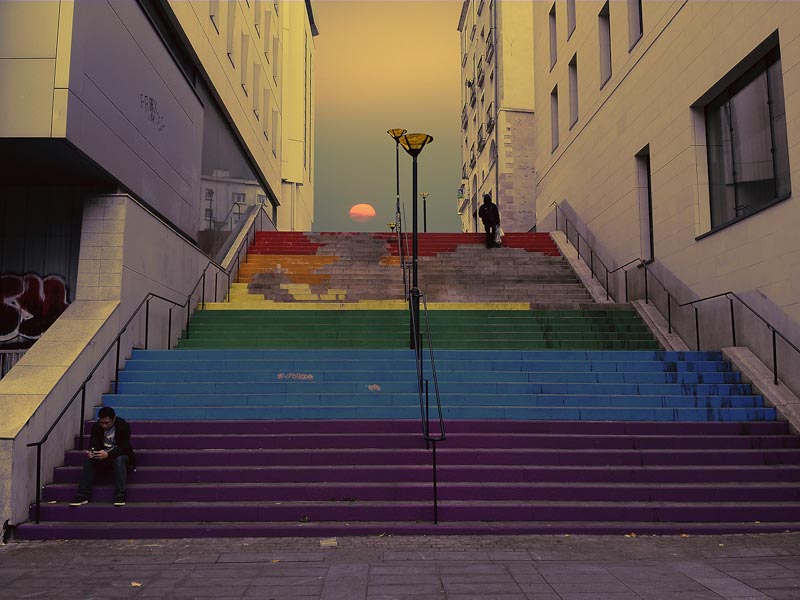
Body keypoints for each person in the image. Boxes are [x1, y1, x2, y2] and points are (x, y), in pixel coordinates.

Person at [70, 407, 135, 507]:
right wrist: (92, 451)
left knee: (119, 460)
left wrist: (108, 454)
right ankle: (82, 495)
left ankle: (120, 495)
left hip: (121, 455)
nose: (104, 425)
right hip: (103, 455)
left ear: (114, 419)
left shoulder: (123, 426)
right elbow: (93, 443)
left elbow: (124, 448)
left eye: (107, 422)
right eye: (101, 422)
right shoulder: (96, 427)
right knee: (89, 461)